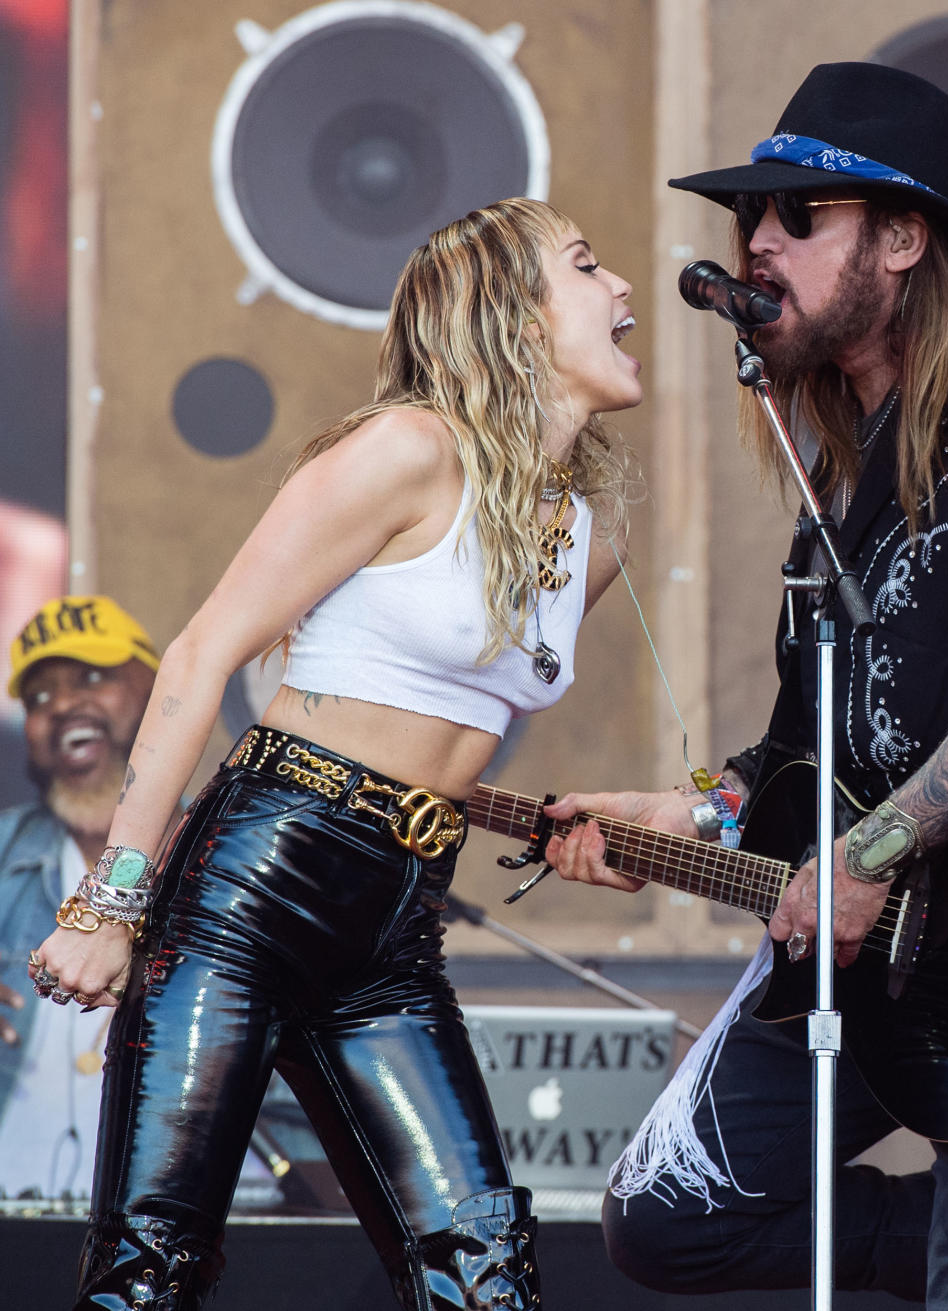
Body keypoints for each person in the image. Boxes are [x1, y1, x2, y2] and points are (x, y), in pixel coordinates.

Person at [544, 63, 948, 1310]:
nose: (758, 243)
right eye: (751, 218)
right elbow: (810, 747)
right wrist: (683, 821)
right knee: (672, 1216)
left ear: (904, 239)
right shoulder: (842, 473)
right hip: (873, 931)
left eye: (801, 215)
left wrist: (870, 854)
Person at [27, 196, 642, 1310]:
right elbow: (204, 654)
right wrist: (109, 902)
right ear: (508, 316)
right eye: (588, 268)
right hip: (256, 882)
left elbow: (438, 729)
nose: (624, 289)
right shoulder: (405, 451)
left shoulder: (591, 538)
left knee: (484, 1267)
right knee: (149, 1266)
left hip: (397, 916)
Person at [0, 596, 157, 1197]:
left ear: (157, 692)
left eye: (93, 676)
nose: (63, 704)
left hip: (205, 1227)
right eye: (39, 698)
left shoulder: (227, 858)